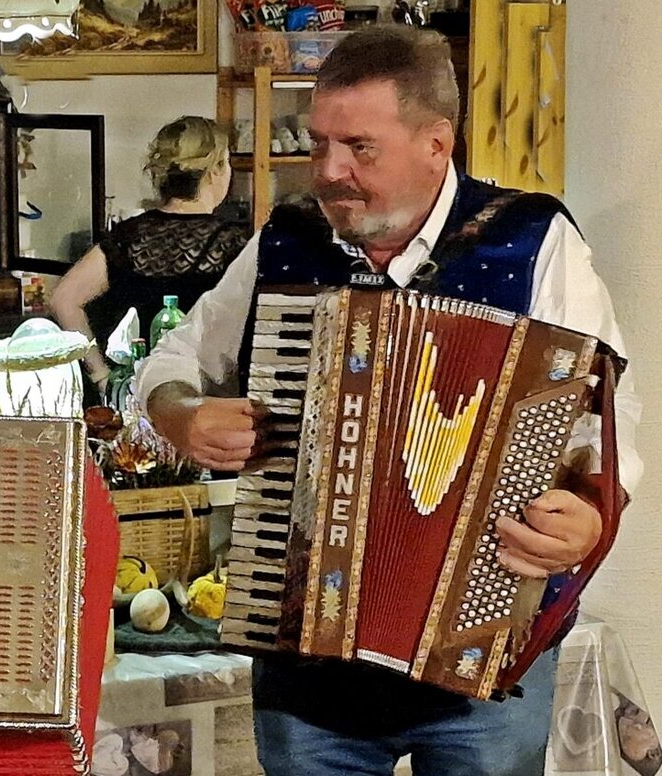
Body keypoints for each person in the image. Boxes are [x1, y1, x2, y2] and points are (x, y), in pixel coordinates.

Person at [137, 26, 643, 776]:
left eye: (359, 147)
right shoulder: (288, 242)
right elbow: (173, 362)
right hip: (307, 662)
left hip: (482, 662)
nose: (330, 171)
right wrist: (182, 412)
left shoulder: (532, 243)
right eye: (319, 143)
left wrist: (592, 515)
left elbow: (607, 419)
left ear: (436, 143)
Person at [49, 115, 249, 396]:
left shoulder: (129, 236)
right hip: (205, 401)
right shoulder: (236, 242)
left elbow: (63, 300)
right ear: (214, 171)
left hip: (138, 396)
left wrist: (102, 375)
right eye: (226, 162)